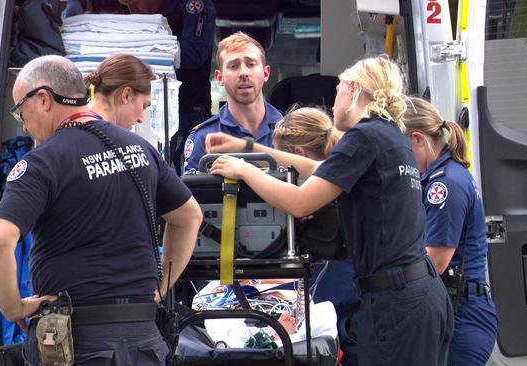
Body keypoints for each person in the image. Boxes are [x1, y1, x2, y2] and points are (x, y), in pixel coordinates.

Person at [203, 56, 454, 365]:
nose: (333, 103)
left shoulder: (363, 136)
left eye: (337, 91)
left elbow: (300, 201)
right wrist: (248, 149)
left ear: (352, 89)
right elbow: (319, 169)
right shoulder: (389, 135)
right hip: (419, 297)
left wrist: (245, 171)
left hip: (396, 303)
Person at [0, 55, 202, 365]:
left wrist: (13, 309)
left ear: (43, 99)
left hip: (78, 343)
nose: (25, 124)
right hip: (145, 340)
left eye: (21, 111)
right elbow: (189, 216)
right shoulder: (141, 150)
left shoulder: (42, 162)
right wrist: (161, 289)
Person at [402, 97, 498, 366]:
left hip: (461, 314)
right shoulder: (439, 176)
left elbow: (436, 261)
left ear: (418, 139)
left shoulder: (444, 185)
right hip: (452, 308)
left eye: (401, 147)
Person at [272, 106, 360, 366]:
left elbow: (322, 304)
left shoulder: (325, 210)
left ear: (297, 154)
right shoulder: (346, 180)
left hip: (347, 325)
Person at [118, 0, 216, 172]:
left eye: (136, 5)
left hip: (186, 110)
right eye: (128, 7)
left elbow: (194, 54)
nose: (133, 11)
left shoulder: (192, 6)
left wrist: (149, 47)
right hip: (136, 110)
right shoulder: (107, 14)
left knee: (185, 174)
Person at [183, 31, 283, 173]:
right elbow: (190, 193)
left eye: (251, 64)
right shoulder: (204, 137)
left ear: (266, 73)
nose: (243, 73)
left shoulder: (290, 131)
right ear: (219, 77)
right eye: (233, 66)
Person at [85, 53, 155, 131]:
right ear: (127, 95)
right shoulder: (115, 139)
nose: (141, 119)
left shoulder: (75, 127)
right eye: (144, 106)